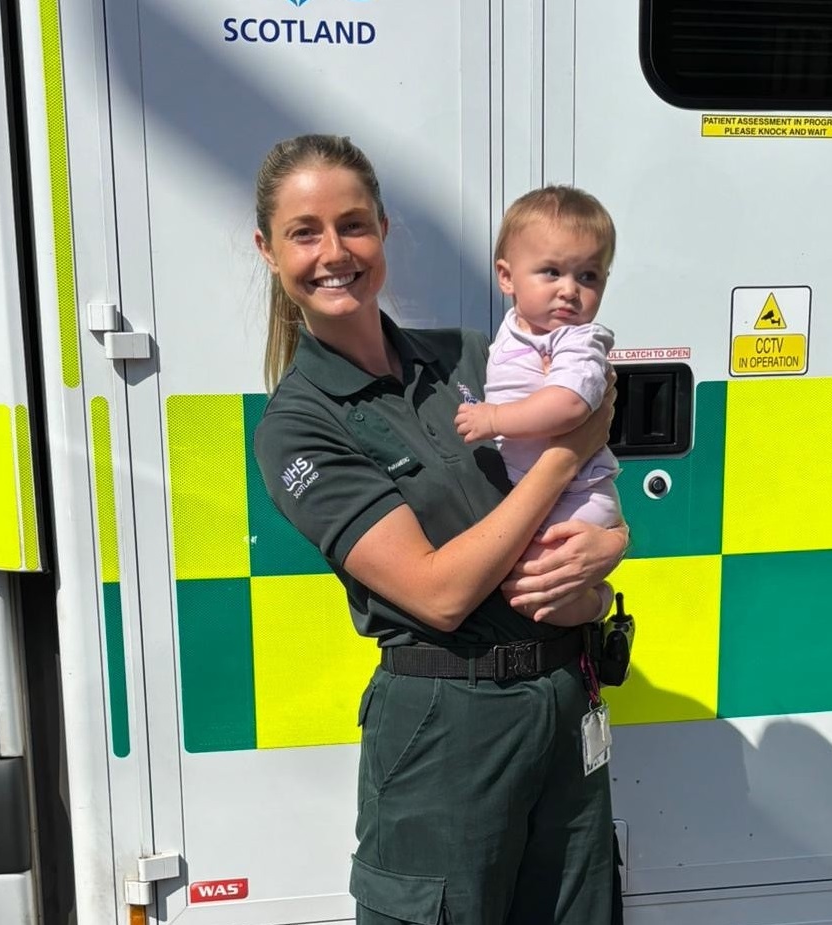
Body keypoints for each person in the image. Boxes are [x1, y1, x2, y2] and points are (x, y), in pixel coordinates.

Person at [251, 134, 627, 925]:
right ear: (268, 250)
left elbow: (588, 442)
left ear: (383, 231)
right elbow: (440, 592)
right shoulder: (298, 425)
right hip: (445, 728)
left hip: (563, 699)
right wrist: (568, 457)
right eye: (304, 231)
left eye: (352, 224)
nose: (334, 252)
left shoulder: (469, 358)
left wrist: (604, 564)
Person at [454, 186, 622, 620]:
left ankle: (597, 605)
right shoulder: (517, 330)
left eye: (588, 276)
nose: (570, 290)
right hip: (547, 490)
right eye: (551, 272)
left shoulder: (579, 340)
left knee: (527, 591)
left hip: (575, 499)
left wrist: (495, 418)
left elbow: (569, 406)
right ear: (507, 277)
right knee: (515, 580)